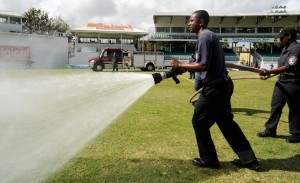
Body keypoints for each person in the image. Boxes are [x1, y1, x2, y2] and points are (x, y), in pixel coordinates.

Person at [171, 10, 259, 170]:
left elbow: (203, 65)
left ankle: (209, 160)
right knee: (226, 123)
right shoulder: (207, 36)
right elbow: (202, 63)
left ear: (201, 22)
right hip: (223, 85)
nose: (189, 23)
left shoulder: (204, 37)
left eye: (192, 21)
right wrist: (184, 67)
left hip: (215, 88)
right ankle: (249, 159)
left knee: (199, 122)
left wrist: (180, 65)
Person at [258, 26, 300, 143]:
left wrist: (269, 71)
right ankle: (270, 129)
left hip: (293, 82)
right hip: (281, 81)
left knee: (294, 109)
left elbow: (288, 66)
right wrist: (269, 76)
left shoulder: (296, 49)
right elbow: (281, 68)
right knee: (275, 105)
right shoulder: (285, 48)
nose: (280, 40)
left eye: (282, 38)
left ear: (289, 36)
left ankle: (297, 134)